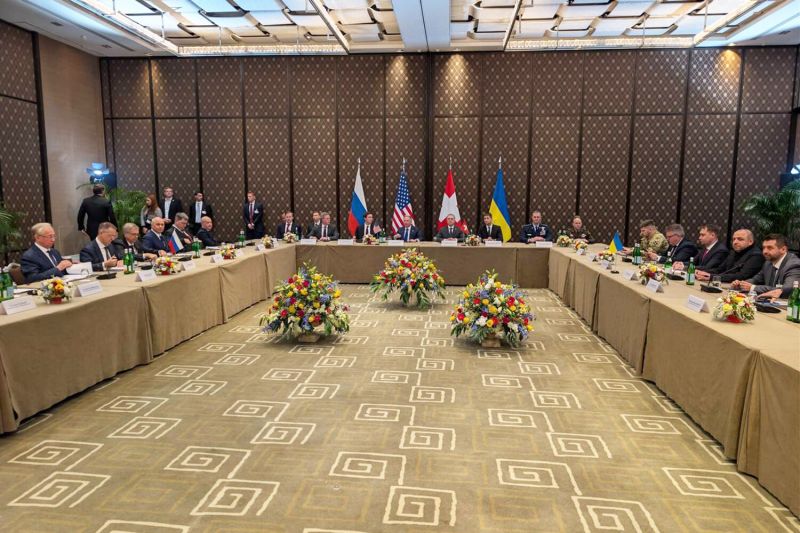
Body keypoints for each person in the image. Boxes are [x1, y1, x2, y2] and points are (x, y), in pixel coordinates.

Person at [732, 234, 800, 299]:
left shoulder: (794, 265)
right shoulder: (768, 263)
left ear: (783, 249)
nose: (765, 251)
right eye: (764, 248)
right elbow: (756, 279)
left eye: (769, 248)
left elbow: (788, 289)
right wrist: (741, 284)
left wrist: (753, 288)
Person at [696, 229, 763, 283]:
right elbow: (720, 269)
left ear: (750, 242)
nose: (735, 242)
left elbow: (741, 276)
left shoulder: (756, 256)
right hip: (726, 283)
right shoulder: (733, 252)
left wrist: (712, 277)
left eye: (740, 239)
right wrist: (704, 273)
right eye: (734, 239)